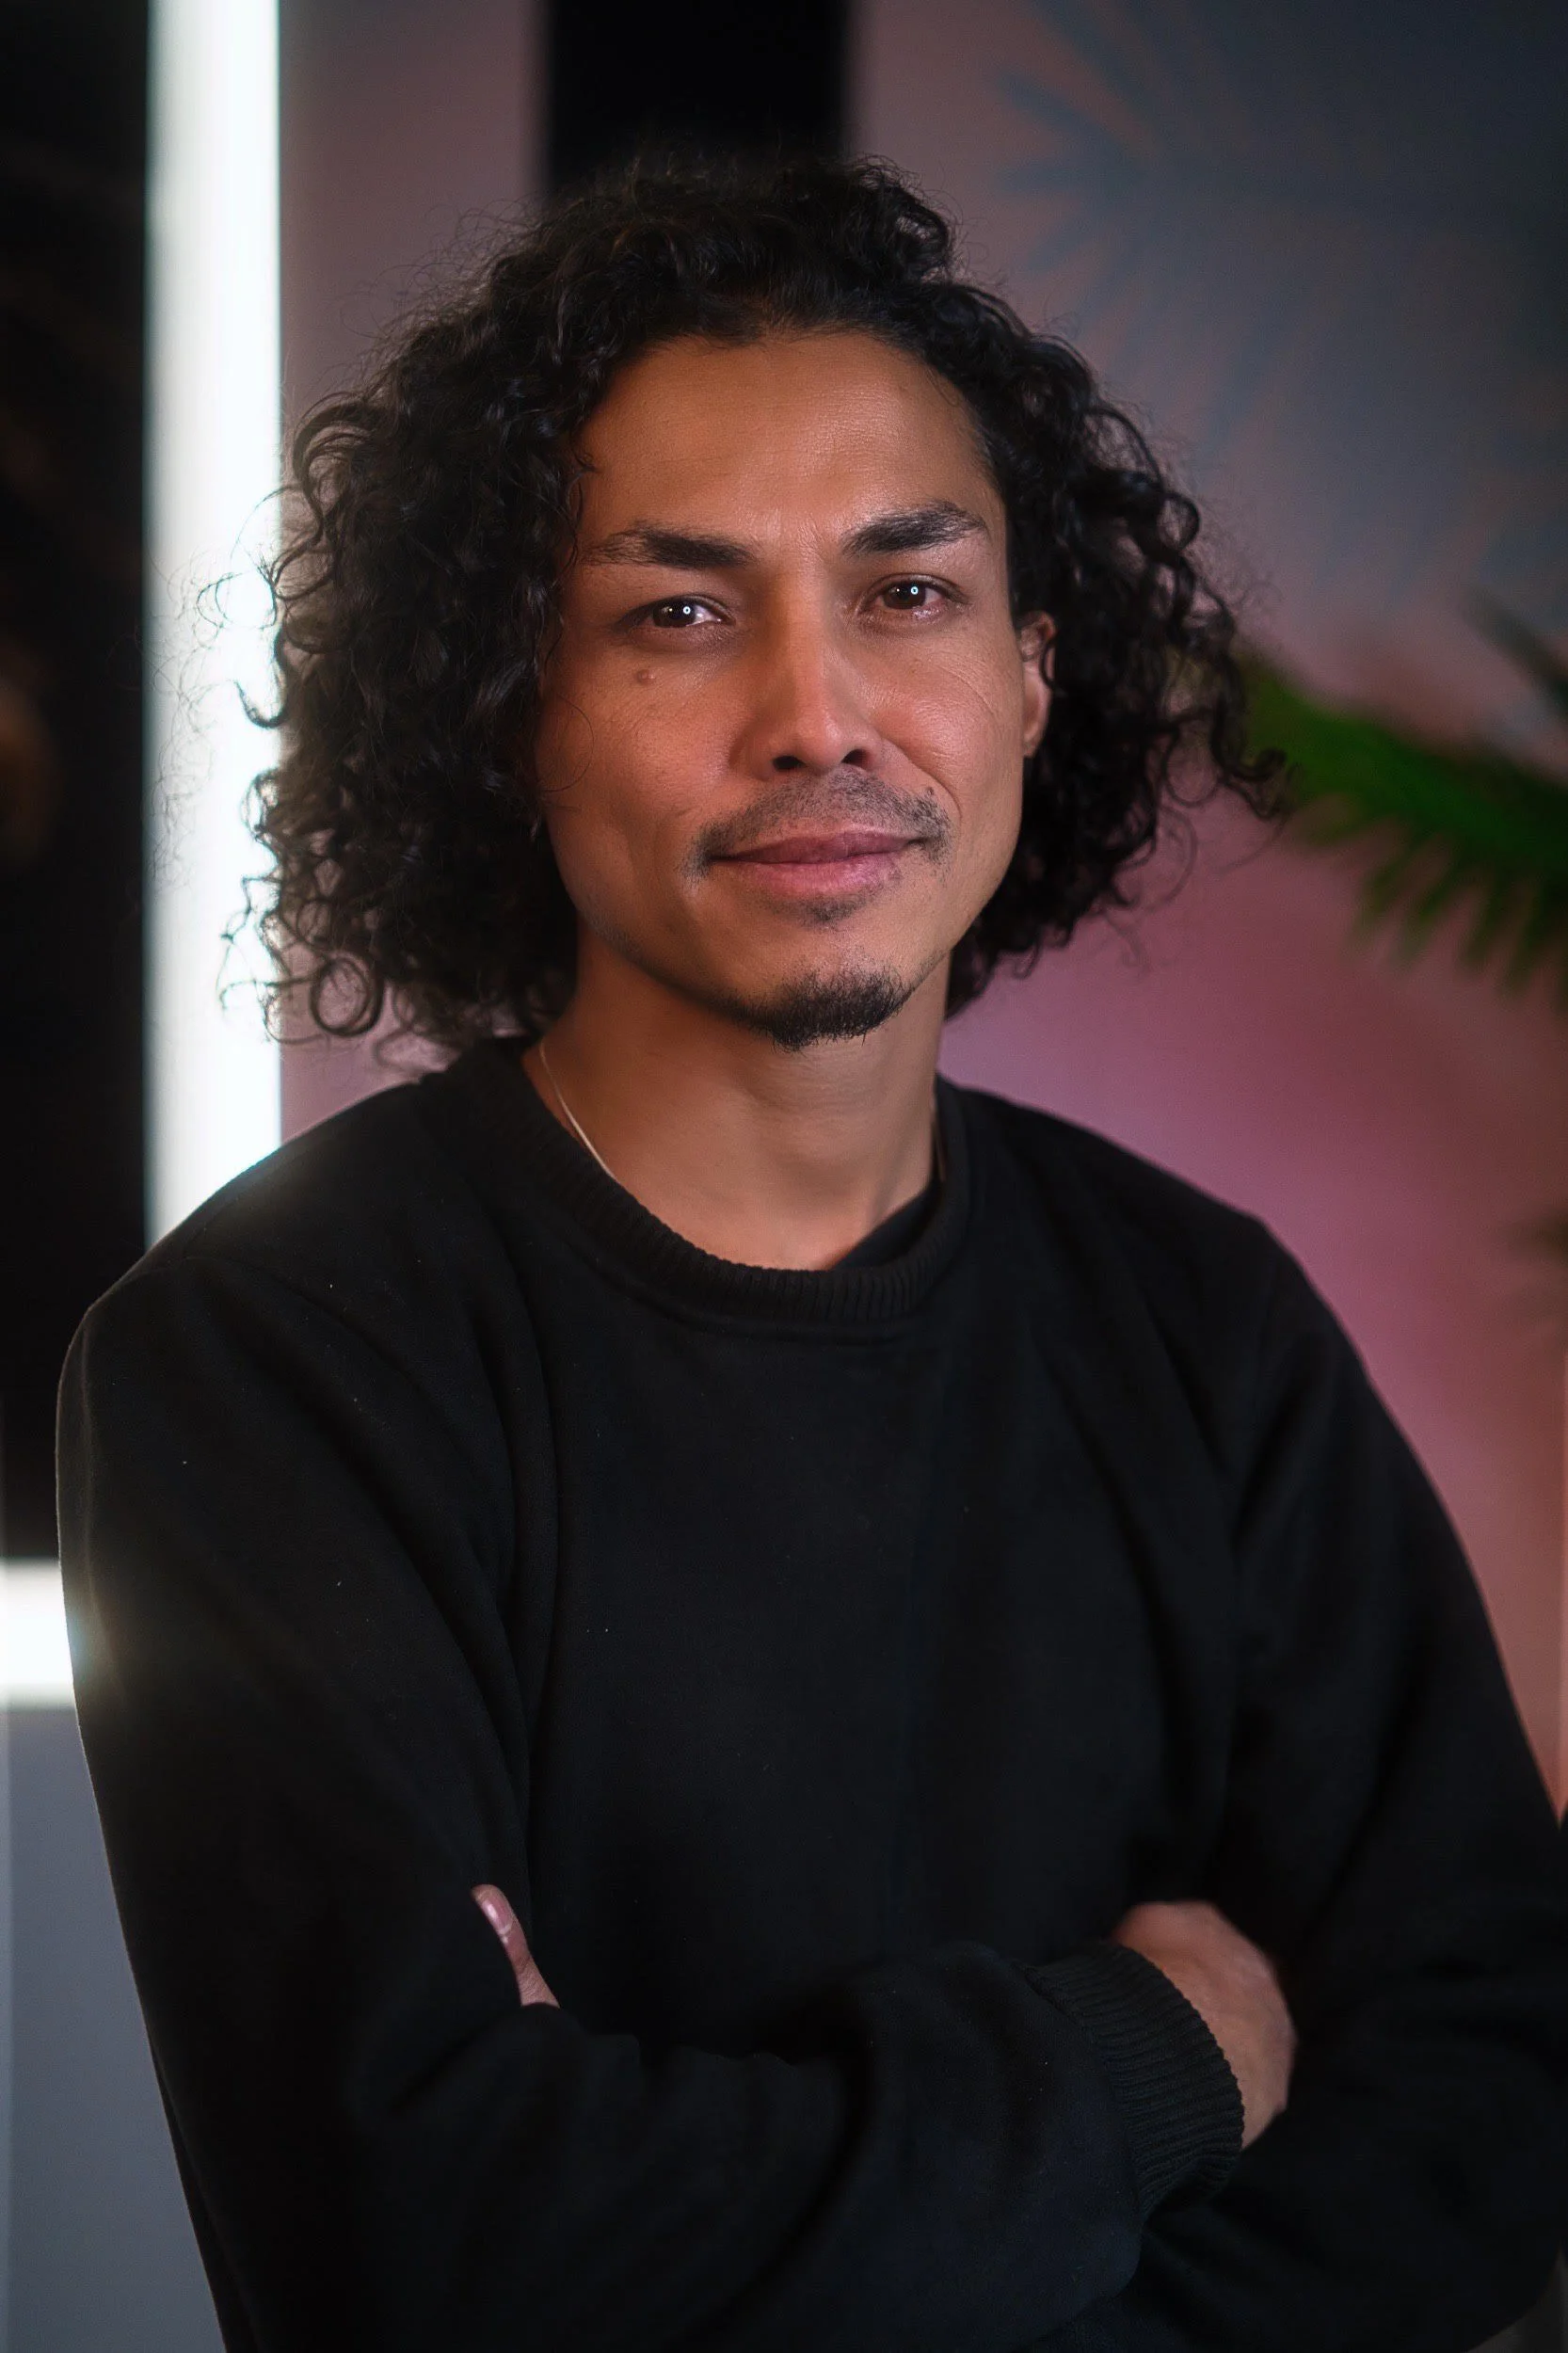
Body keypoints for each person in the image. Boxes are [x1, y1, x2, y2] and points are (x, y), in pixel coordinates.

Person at [58, 155, 1565, 2353]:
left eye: (908, 593)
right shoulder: (274, 1358)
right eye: (677, 610)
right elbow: (436, 2245)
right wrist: (1150, 2056)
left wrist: (732, 2186)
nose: (814, 714)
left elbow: (1480, 2089)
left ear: (1035, 676)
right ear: (513, 706)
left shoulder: (1200, 1319)